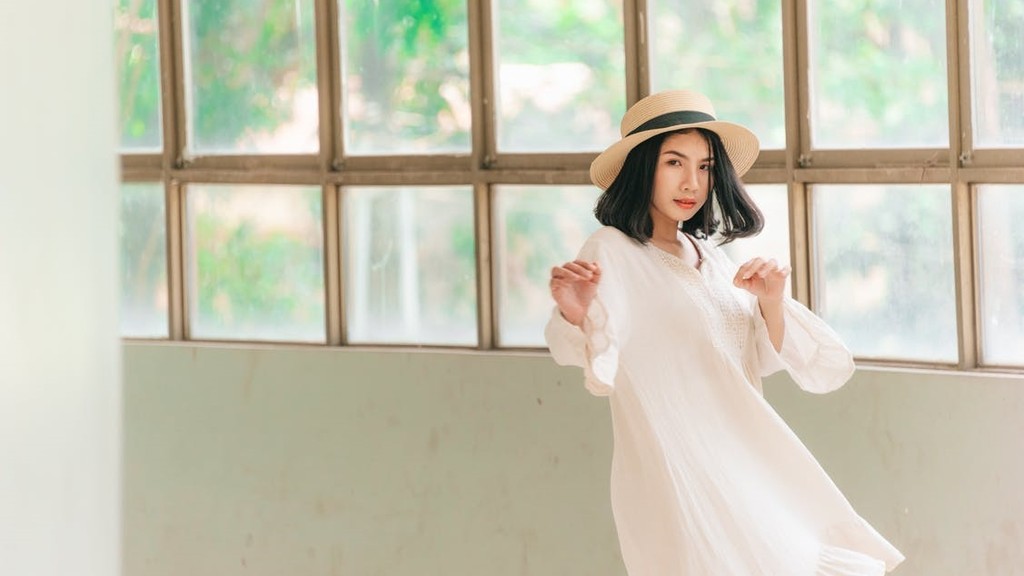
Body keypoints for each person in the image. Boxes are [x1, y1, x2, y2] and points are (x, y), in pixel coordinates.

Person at [545, 90, 905, 575]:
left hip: (747, 464)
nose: (692, 182)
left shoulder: (710, 257)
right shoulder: (612, 249)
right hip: (680, 472)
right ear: (642, 168)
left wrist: (770, 302)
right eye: (674, 162)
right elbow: (589, 352)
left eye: (706, 166)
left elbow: (753, 358)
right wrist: (576, 314)